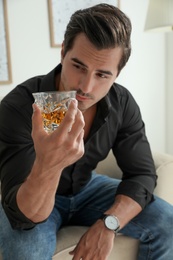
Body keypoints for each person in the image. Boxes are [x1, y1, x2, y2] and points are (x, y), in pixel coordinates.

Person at [0, 3, 172, 260]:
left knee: (168, 222)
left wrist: (108, 224)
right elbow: (25, 216)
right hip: (32, 193)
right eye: (78, 66)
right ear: (63, 53)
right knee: (27, 252)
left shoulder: (122, 103)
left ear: (117, 74)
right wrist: (49, 163)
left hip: (87, 188)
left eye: (102, 74)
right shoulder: (20, 107)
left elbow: (142, 174)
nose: (85, 86)